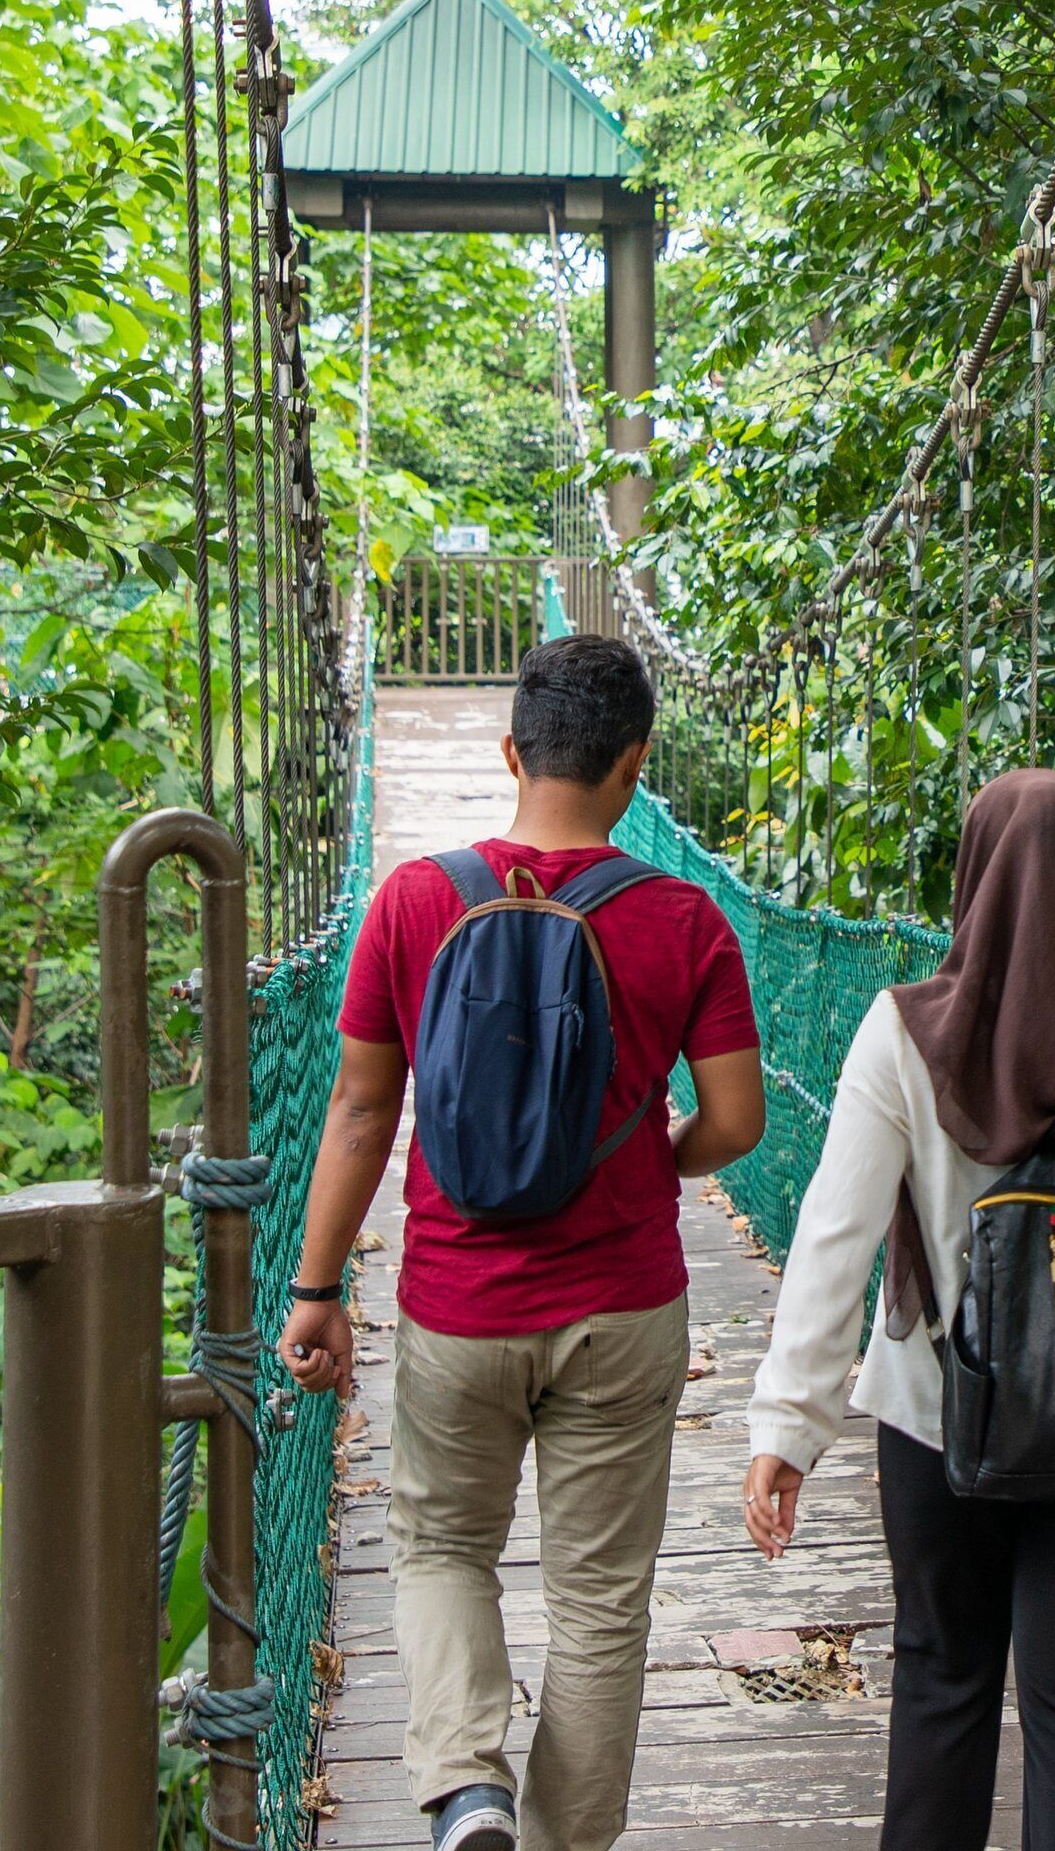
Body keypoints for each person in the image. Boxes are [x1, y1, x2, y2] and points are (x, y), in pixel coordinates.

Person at [279, 633, 768, 1851]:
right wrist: (655, 1156)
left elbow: (357, 1112)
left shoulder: (413, 900)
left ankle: (466, 1789)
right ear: (636, 766)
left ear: (511, 751)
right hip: (624, 1308)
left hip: (457, 1306)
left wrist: (316, 1287)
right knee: (600, 1602)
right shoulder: (685, 921)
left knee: (442, 1546)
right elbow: (738, 1125)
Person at [740, 769, 1055, 1851]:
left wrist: (790, 1429)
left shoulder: (904, 1035)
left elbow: (837, 1238)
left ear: (971, 881)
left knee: (941, 1684)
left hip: (938, 1416)